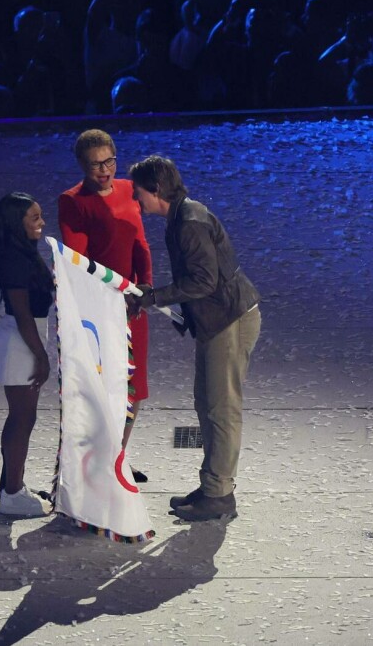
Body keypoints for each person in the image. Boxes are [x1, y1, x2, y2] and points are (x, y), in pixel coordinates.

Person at [127, 155, 261, 522]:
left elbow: (204, 281)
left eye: (139, 193)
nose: (137, 201)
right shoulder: (182, 216)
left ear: (155, 190)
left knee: (221, 410)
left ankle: (219, 495)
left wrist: (154, 297)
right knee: (208, 404)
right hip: (216, 321)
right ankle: (212, 486)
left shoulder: (189, 222)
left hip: (228, 322)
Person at [58, 129, 152, 482]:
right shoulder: (73, 201)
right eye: (95, 164)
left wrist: (145, 288)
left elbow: (140, 244)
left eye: (109, 161)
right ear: (82, 166)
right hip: (101, 309)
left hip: (133, 305)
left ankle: (118, 457)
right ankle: (97, 461)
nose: (104, 170)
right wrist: (110, 296)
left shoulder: (129, 190)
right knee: (105, 385)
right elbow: (78, 261)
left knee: (134, 385)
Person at [0, 192, 54, 518]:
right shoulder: (14, 259)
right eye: (34, 218)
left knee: (22, 417)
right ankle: (12, 493)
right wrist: (41, 356)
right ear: (17, 224)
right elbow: (23, 315)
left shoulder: (21, 251)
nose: (42, 223)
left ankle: (12, 486)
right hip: (21, 341)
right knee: (22, 418)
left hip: (25, 337)